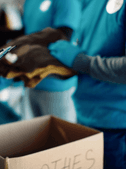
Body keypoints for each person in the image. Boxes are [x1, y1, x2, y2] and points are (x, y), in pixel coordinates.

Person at [48, 0, 126, 168]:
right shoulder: (91, 3)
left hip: (117, 127)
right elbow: (89, 50)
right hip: (85, 118)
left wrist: (82, 62)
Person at [0, 0, 81, 122]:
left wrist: (22, 52)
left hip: (56, 85)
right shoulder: (30, 2)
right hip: (31, 81)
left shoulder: (66, 2)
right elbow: (27, 33)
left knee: (62, 138)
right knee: (40, 134)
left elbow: (63, 36)